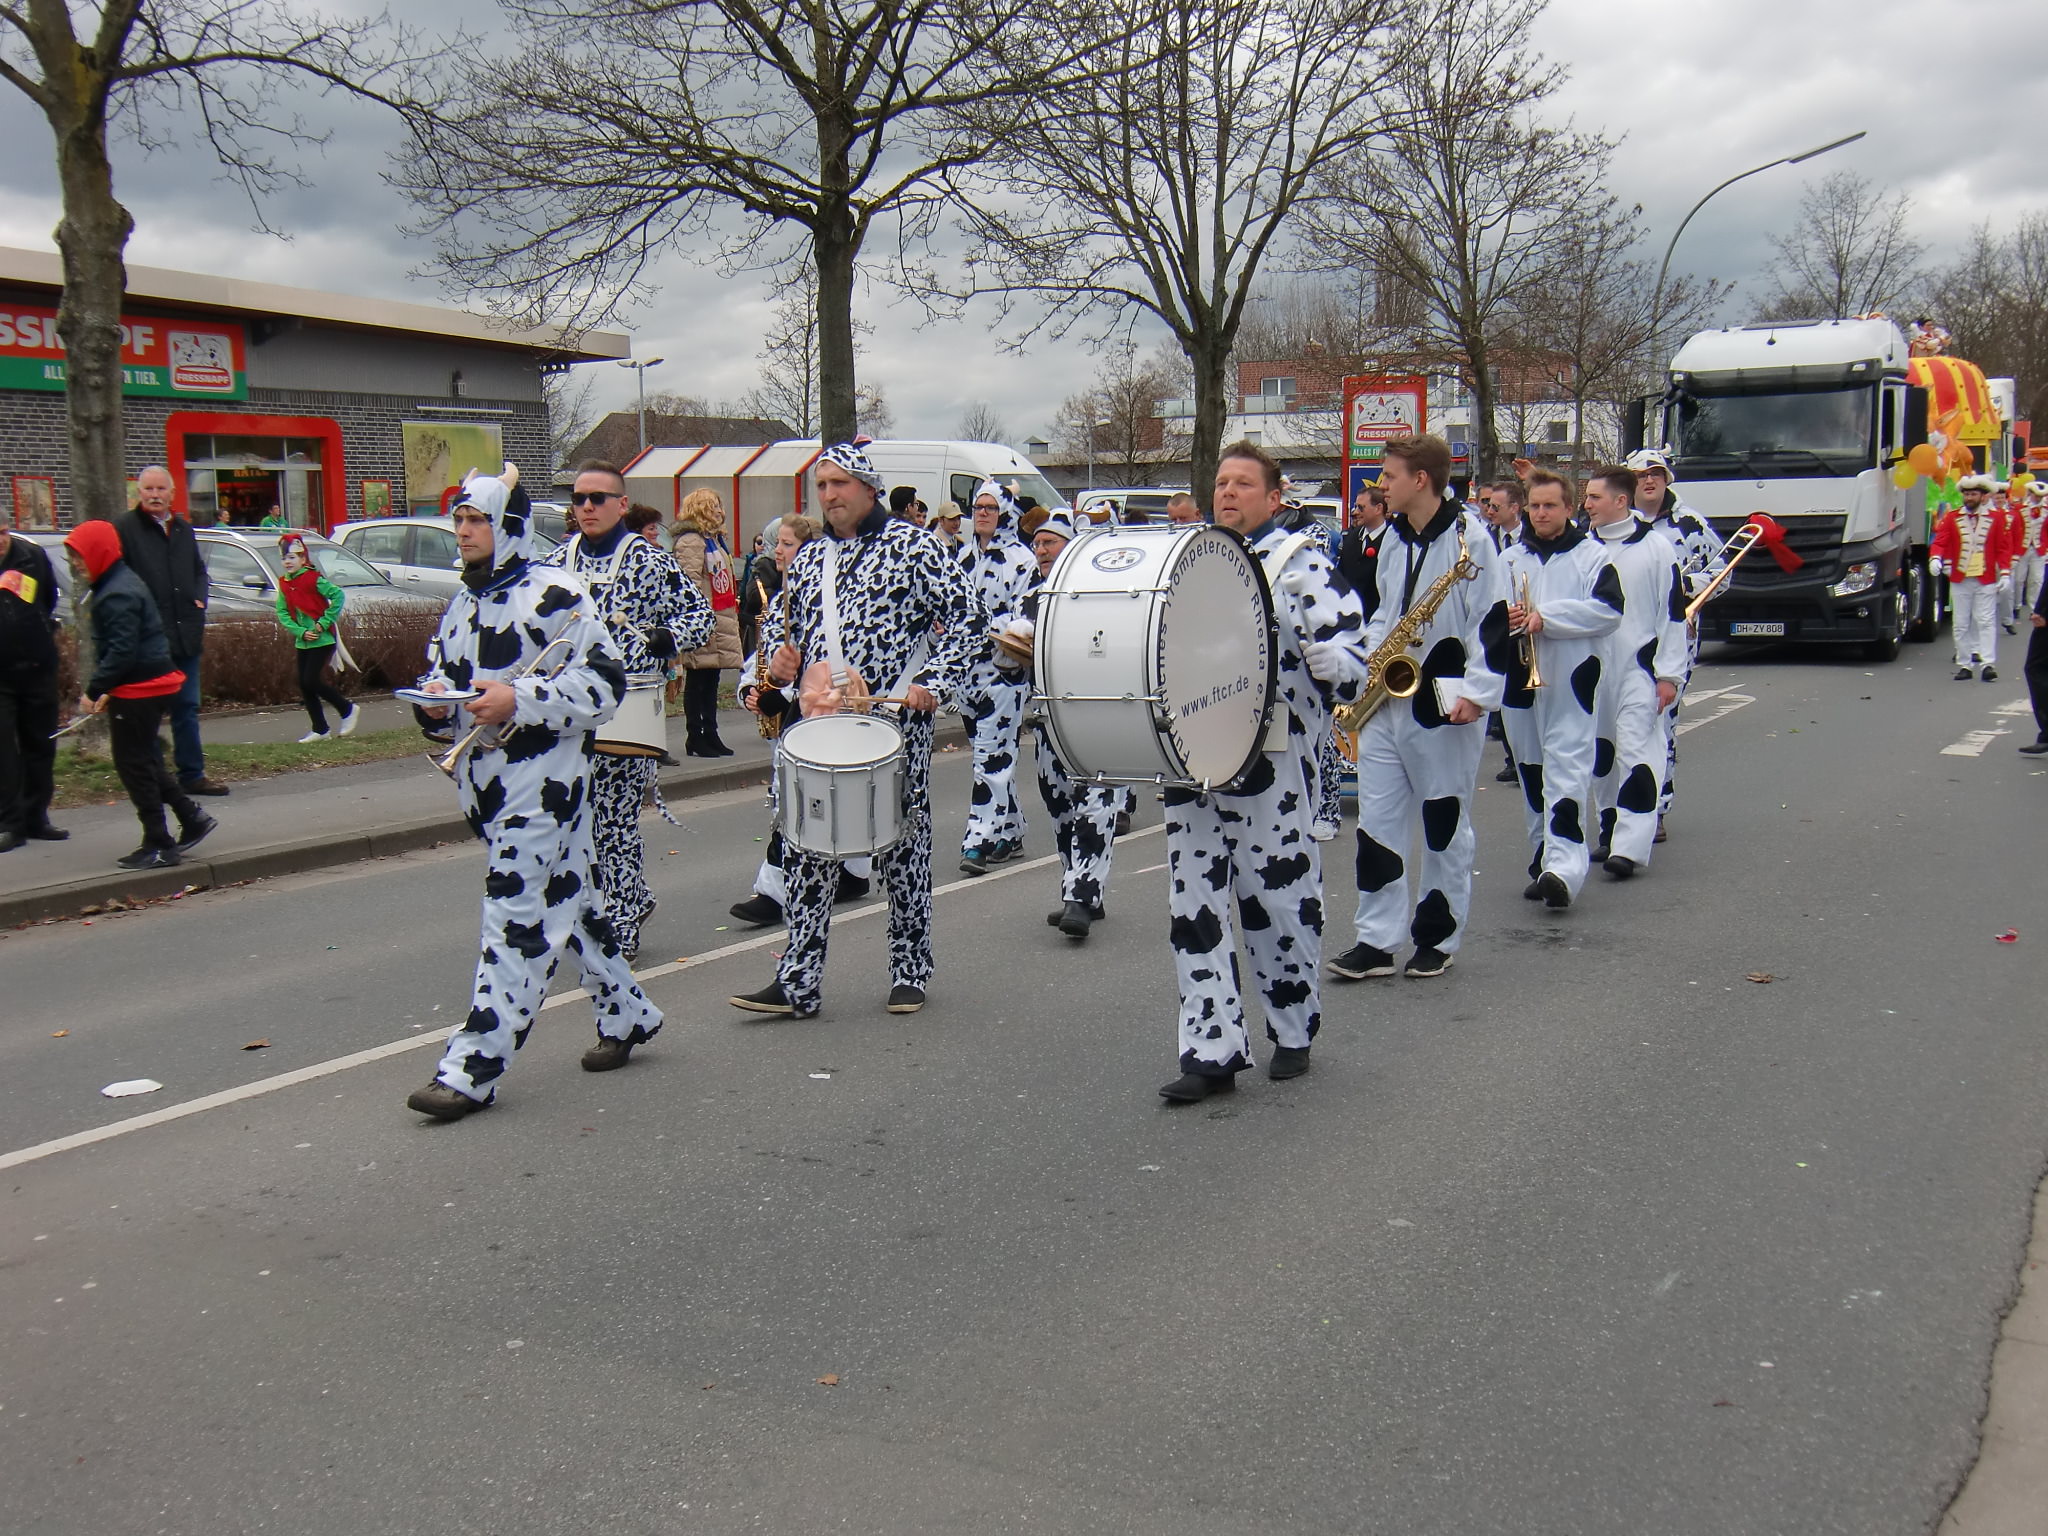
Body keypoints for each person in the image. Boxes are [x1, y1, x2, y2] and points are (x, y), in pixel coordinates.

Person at [404, 466, 663, 1121]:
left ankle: (472, 1069)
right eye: (459, 519)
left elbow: (604, 687)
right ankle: (627, 1012)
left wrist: (519, 697)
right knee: (571, 904)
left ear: (509, 526)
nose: (463, 531)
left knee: (516, 922)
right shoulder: (462, 604)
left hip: (545, 787)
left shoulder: (557, 594)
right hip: (487, 786)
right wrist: (434, 706)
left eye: (477, 519)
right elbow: (445, 681)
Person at [729, 443, 980, 1019]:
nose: (829, 495)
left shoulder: (915, 547)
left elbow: (969, 618)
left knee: (902, 846)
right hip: (822, 725)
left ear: (868, 488)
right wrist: (779, 666)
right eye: (821, 485)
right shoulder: (810, 559)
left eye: (839, 483)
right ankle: (798, 981)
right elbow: (783, 636)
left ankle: (910, 969)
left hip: (894, 723)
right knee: (808, 847)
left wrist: (934, 681)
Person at [1157, 441, 1369, 1103]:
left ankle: (1293, 1027)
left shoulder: (1300, 562)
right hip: (1191, 756)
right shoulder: (1187, 560)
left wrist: (1334, 661)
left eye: (1243, 484)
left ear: (1274, 498)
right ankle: (1211, 1049)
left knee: (1278, 899)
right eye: (1222, 482)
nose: (1227, 493)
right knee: (1193, 904)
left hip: (1272, 762)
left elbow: (1352, 655)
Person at [1332, 434, 1509, 982]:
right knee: (1376, 823)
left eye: (1389, 476)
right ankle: (1376, 939)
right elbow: (1387, 611)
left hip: (1445, 701)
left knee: (1443, 822)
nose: (1381, 485)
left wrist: (1479, 692)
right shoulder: (1393, 537)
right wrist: (1365, 666)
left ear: (1421, 480)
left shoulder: (1470, 539)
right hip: (1388, 698)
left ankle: (1437, 936)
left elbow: (1491, 619)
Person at [543, 459, 711, 962]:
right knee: (574, 817)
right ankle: (629, 898)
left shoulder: (649, 561)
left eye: (597, 498)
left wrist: (668, 636)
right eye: (579, 499)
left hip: (629, 706)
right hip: (569, 707)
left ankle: (621, 919)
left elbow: (699, 616)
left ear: (621, 504)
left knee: (614, 817)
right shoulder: (556, 561)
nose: (586, 507)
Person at [731, 515, 873, 925]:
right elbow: (762, 660)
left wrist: (785, 694)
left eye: (788, 544)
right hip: (796, 716)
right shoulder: (782, 598)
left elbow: (832, 667)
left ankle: (785, 888)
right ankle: (843, 875)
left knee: (813, 799)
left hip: (832, 713)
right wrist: (753, 689)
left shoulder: (833, 595)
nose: (777, 551)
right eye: (777, 543)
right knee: (799, 801)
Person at [990, 511, 1121, 939]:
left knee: (1095, 803)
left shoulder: (1100, 591)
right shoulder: (1031, 596)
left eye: (1050, 543)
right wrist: (1008, 652)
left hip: (1100, 713)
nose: (1041, 550)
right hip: (1050, 716)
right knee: (1060, 803)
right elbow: (1013, 668)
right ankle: (1081, 887)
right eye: (1038, 544)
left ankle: (1080, 896)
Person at [61, 520, 215, 870]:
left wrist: (95, 690)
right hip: (146, 681)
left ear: (98, 552)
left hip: (141, 687)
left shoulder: (117, 593)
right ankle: (191, 816)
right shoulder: (117, 583)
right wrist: (110, 688)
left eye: (80, 557)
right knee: (145, 759)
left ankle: (158, 841)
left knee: (133, 764)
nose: (76, 565)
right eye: (72, 558)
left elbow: (122, 651)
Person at [1499, 470, 1622, 909]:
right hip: (1521, 679)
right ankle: (1543, 857)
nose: (1541, 513)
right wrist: (1505, 618)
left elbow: (1609, 611)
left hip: (1572, 680)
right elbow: (1486, 615)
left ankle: (1565, 869)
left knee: (1566, 771)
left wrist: (1547, 617)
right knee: (1531, 772)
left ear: (1569, 508)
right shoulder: (1510, 558)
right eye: (1534, 505)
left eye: (1550, 505)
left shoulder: (1592, 556)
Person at [1584, 466, 1688, 879]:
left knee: (1637, 754)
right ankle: (1609, 828)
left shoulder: (1656, 548)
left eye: (1594, 497)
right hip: (1593, 671)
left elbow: (1673, 613)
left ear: (1620, 500)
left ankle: (1629, 847)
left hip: (1639, 670)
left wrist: (1669, 675)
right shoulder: (1583, 547)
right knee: (1602, 757)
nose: (1587, 504)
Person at [1626, 447, 1722, 837]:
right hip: (1627, 635)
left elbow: (1722, 571)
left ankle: (1657, 808)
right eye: (1641, 475)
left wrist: (1686, 586)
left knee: (1661, 721)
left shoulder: (1690, 523)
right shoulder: (1618, 522)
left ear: (1667, 480)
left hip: (1674, 636)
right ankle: (1622, 808)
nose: (1649, 480)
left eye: (1656, 473)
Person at [117, 466, 228, 796]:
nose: (154, 495)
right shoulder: (125, 529)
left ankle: (192, 775)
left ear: (172, 494)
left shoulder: (183, 529)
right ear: (139, 492)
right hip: (149, 638)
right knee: (149, 714)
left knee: (186, 707)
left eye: (160, 489)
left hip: (186, 634)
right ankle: (153, 779)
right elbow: (120, 577)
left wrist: (199, 599)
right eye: (148, 489)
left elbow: (199, 571)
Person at [956, 479, 1038, 874]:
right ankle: (1011, 829)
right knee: (991, 756)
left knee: (990, 760)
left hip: (1005, 675)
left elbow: (1025, 619)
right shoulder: (962, 558)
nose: (983, 514)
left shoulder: (1023, 560)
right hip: (965, 677)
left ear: (1005, 513)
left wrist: (983, 624)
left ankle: (978, 841)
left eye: (991, 508)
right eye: (978, 507)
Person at [0, 522, 65, 850]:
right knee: (4, 751)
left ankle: (36, 817)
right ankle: (9, 823)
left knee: (40, 744)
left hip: (37, 666)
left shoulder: (32, 557)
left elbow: (48, 599)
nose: (0, 541)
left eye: (2, 532)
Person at [671, 487, 744, 754]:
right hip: (704, 619)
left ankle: (711, 732)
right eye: (713, 506)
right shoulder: (692, 541)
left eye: (719, 506)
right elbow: (688, 584)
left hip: (720, 616)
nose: (720, 511)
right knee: (698, 678)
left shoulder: (715, 540)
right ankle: (695, 735)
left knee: (712, 678)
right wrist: (698, 619)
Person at [273, 532, 359, 743]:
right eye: (284, 558)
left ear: (303, 559)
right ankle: (320, 729)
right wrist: (300, 631)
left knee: (310, 680)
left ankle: (347, 709)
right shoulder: (284, 583)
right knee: (304, 684)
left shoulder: (313, 578)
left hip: (323, 639)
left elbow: (338, 596)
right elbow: (282, 612)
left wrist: (323, 623)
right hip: (303, 640)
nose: (287, 562)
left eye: (292, 557)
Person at [1932, 475, 2015, 682]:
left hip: (1985, 577)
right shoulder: (1952, 517)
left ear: (1982, 496)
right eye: (1967, 494)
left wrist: (2005, 572)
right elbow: (1940, 541)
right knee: (1961, 623)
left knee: (1985, 621)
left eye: (1973, 494)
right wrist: (1935, 557)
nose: (1969, 498)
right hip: (1960, 578)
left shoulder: (1997, 518)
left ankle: (1988, 664)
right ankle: (1965, 664)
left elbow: (2003, 547)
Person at [2015, 484, 2048, 636]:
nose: (2038, 498)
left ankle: (2034, 608)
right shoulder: (2020, 508)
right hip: (2023, 548)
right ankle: (2016, 606)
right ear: (2030, 494)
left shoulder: (2046, 510)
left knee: (2037, 579)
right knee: (2019, 579)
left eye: (2041, 495)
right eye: (2036, 495)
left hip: (2039, 548)